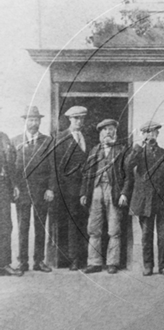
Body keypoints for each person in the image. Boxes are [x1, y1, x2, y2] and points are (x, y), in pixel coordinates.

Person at [80, 119, 131, 274]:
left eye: (111, 130)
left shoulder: (122, 151)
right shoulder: (94, 150)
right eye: (105, 130)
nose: (108, 132)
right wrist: (83, 192)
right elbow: (86, 174)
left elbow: (129, 176)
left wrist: (124, 193)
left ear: (115, 132)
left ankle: (112, 262)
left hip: (113, 191)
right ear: (100, 133)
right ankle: (94, 262)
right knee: (93, 228)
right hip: (96, 190)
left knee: (114, 228)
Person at [127, 121, 164, 277]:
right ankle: (148, 265)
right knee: (146, 235)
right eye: (147, 132)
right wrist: (138, 147)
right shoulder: (138, 153)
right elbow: (127, 166)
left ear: (158, 134)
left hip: (162, 199)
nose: (150, 135)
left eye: (153, 132)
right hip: (145, 199)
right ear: (143, 135)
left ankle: (163, 266)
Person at [12, 106, 53, 273]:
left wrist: (50, 188)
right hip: (22, 191)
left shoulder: (48, 141)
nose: (33, 123)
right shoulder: (15, 141)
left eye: (36, 119)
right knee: (23, 227)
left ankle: (39, 261)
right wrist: (14, 186)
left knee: (40, 226)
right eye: (30, 119)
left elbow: (53, 167)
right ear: (25, 121)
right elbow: (11, 167)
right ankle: (22, 261)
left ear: (40, 121)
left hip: (41, 191)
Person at [51, 106, 90, 270]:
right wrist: (54, 188)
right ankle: (73, 259)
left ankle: (85, 257)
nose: (79, 122)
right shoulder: (60, 138)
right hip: (68, 189)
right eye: (76, 119)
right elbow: (55, 165)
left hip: (86, 187)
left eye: (82, 119)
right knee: (71, 223)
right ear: (69, 120)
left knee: (84, 223)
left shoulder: (88, 137)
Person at [0, 125, 22, 277]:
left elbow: (11, 164)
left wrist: (14, 185)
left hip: (3, 187)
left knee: (6, 225)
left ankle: (3, 264)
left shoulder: (4, 137)